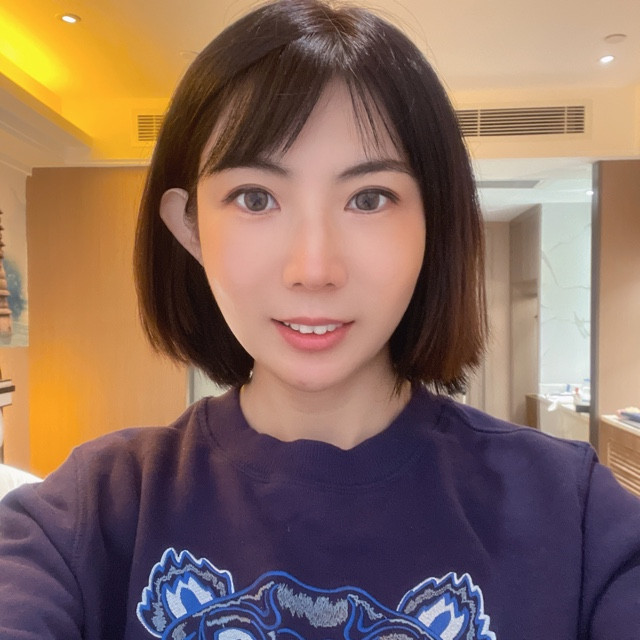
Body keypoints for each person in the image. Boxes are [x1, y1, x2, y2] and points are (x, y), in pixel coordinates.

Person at [1, 0, 639, 637]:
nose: (313, 269)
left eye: (369, 198)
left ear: (434, 223)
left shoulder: (574, 516)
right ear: (189, 227)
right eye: (255, 198)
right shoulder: (89, 514)